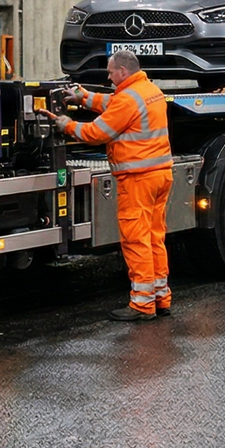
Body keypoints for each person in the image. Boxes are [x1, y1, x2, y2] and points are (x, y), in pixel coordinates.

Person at [51, 50, 174, 321]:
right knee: (155, 238)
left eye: (110, 72)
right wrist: (83, 97)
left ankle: (142, 305)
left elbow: (96, 133)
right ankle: (160, 297)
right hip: (159, 175)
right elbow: (113, 103)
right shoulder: (148, 90)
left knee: (136, 239)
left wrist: (66, 125)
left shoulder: (128, 98)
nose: (108, 76)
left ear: (122, 72)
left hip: (137, 179)